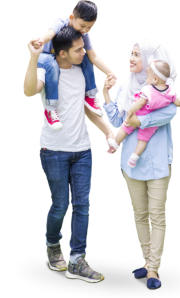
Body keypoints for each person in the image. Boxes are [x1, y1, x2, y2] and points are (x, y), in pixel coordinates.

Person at [24, 25, 107, 283]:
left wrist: (107, 132)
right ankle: (52, 245)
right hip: (54, 151)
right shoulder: (50, 71)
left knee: (82, 205)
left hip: (82, 151)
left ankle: (77, 260)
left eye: (83, 47)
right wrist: (33, 57)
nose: (84, 52)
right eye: (78, 49)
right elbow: (28, 90)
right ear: (61, 54)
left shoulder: (83, 72)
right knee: (60, 205)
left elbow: (86, 109)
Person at [103, 41, 180, 289]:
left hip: (158, 163)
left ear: (149, 62)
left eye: (137, 55)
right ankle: (148, 262)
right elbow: (118, 119)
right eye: (131, 53)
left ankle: (153, 269)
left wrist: (138, 120)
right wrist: (106, 94)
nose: (131, 58)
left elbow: (168, 114)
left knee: (157, 216)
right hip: (132, 165)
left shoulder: (163, 90)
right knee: (140, 215)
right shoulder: (127, 87)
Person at [32, 0, 116, 129]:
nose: (85, 30)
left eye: (89, 27)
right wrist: (40, 41)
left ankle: (90, 96)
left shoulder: (83, 34)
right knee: (51, 64)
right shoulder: (61, 23)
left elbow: (93, 56)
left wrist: (109, 72)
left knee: (86, 58)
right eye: (83, 26)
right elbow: (50, 33)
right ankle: (50, 108)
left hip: (63, 58)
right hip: (46, 57)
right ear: (72, 18)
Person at [107, 59, 180, 168]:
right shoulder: (170, 91)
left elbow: (140, 103)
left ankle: (115, 143)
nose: (146, 77)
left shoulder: (149, 90)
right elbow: (178, 102)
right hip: (152, 124)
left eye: (148, 75)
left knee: (125, 128)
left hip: (139, 114)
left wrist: (130, 112)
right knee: (143, 139)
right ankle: (135, 156)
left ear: (155, 79)